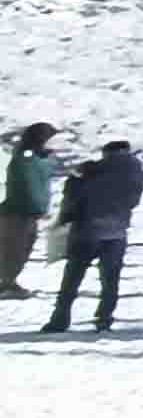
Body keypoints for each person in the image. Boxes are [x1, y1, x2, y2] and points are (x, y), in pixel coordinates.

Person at [42, 136, 143, 333]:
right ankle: (104, 319)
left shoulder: (90, 171)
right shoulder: (136, 173)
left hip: (86, 231)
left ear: (107, 153)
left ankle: (59, 320)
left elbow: (72, 199)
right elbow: (133, 202)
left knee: (72, 279)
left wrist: (65, 218)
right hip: (116, 233)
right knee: (110, 281)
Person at [1, 121, 57, 299]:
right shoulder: (25, 159)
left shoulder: (39, 159)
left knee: (21, 250)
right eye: (50, 140)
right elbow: (27, 185)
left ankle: (8, 283)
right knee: (13, 251)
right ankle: (6, 285)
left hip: (29, 214)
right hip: (18, 214)